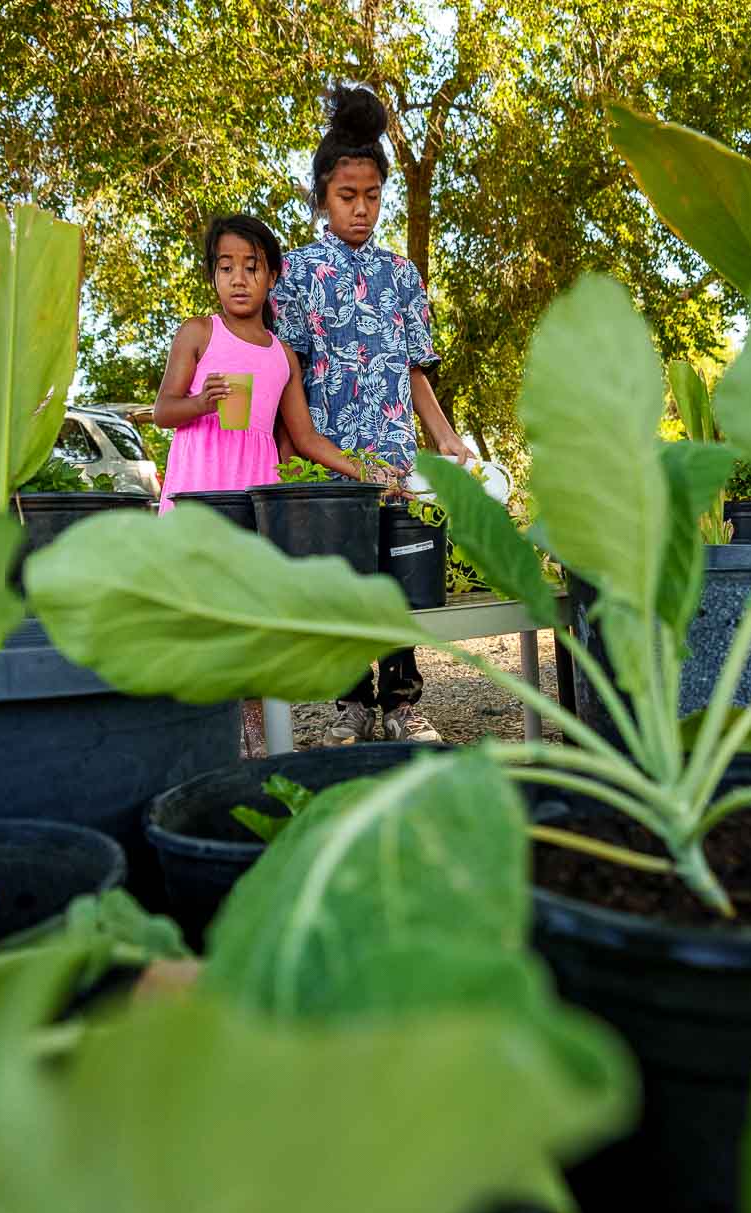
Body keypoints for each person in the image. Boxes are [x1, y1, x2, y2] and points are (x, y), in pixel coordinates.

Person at [271, 85, 478, 746]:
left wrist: (445, 439)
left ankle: (403, 705)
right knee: (342, 580)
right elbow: (290, 369)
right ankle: (350, 706)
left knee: (399, 578)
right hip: (331, 458)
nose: (360, 210)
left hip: (396, 454)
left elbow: (416, 368)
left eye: (371, 197)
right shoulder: (297, 274)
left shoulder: (403, 273)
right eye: (346, 197)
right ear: (322, 198)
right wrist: (289, 445)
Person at [155, 213, 392, 756]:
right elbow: (165, 409)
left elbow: (306, 438)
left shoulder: (281, 356)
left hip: (254, 502)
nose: (238, 279)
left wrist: (373, 473)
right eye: (226, 267)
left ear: (272, 278)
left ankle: (259, 749)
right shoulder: (198, 333)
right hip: (199, 496)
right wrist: (199, 402)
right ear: (212, 277)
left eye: (251, 267)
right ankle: (195, 748)